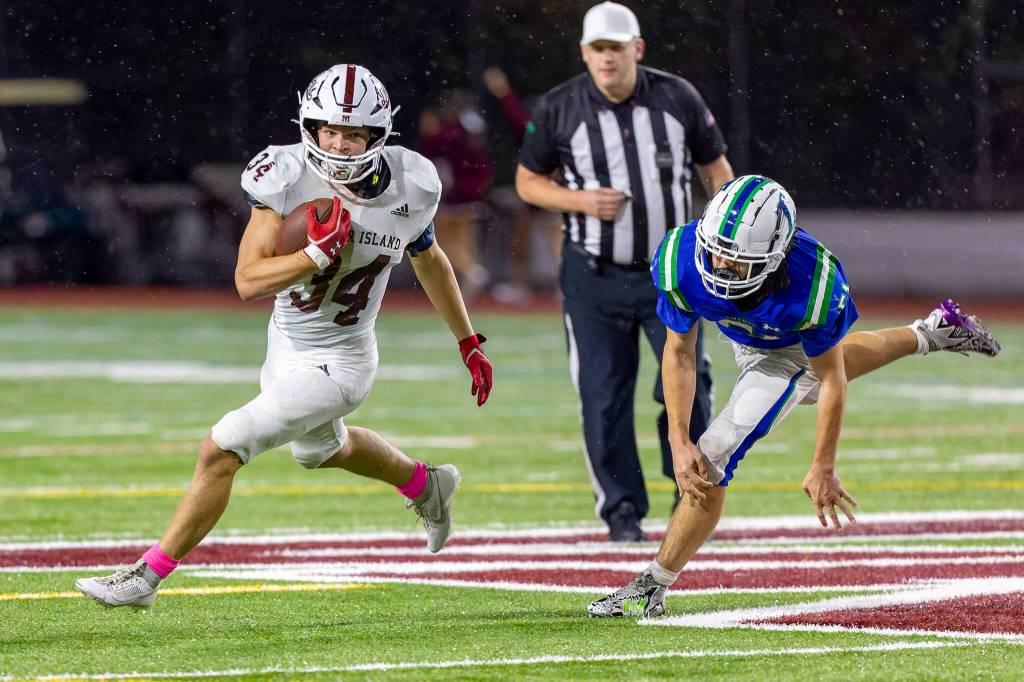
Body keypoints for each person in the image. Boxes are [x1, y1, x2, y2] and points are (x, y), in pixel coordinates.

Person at [75, 64, 494, 610]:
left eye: (353, 134)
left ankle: (145, 578)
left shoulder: (413, 183)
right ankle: (427, 484)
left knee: (222, 448)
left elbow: (431, 259)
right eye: (329, 131)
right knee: (324, 450)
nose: (339, 145)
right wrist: (312, 256)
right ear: (310, 127)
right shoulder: (285, 173)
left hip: (342, 361)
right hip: (286, 340)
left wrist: (467, 341)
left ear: (377, 136)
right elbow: (247, 280)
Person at [587, 175, 1001, 617]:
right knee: (819, 372)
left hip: (782, 349)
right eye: (716, 254)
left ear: (775, 257)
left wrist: (822, 465)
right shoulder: (680, 257)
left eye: (738, 261)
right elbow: (680, 351)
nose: (721, 268)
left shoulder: (813, 285)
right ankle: (934, 331)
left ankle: (653, 585)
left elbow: (832, 381)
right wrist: (675, 437)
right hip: (747, 333)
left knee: (714, 454)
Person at [515, 1, 735, 541]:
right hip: (593, 275)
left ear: (637, 48)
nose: (606, 58)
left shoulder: (677, 96)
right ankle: (621, 514)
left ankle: (693, 496)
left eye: (616, 47)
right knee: (603, 397)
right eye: (597, 49)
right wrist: (581, 202)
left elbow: (717, 172)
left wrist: (723, 235)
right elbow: (526, 181)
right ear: (585, 53)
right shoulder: (561, 106)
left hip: (673, 276)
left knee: (690, 391)